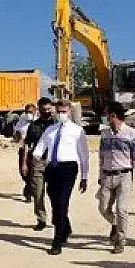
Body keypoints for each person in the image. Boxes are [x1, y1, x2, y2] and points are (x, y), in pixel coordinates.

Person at [31, 99, 90, 255]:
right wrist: (35, 156)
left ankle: (57, 240)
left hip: (68, 168)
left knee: (62, 203)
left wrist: (84, 176)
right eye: (59, 111)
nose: (62, 114)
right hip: (52, 168)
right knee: (55, 203)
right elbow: (40, 148)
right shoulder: (50, 130)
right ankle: (66, 227)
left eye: (64, 111)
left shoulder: (77, 131)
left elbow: (84, 155)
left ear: (69, 112)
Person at [97, 102, 135, 254]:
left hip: (124, 175)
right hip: (107, 175)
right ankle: (115, 224)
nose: (106, 119)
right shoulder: (104, 134)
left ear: (115, 116)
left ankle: (120, 240)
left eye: (109, 116)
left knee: (121, 209)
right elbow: (101, 156)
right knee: (103, 208)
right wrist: (100, 175)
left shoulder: (131, 134)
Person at [21, 97, 57, 224]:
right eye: (43, 109)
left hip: (54, 162)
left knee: (54, 193)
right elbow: (27, 145)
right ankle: (41, 218)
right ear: (39, 110)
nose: (46, 112)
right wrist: (24, 163)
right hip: (38, 162)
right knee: (37, 192)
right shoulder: (33, 126)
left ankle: (56, 216)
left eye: (48, 109)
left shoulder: (57, 125)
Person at [14, 103, 37, 199]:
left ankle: (28, 192)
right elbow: (16, 134)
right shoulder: (22, 120)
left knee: (32, 173)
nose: (28, 114)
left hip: (34, 150)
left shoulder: (38, 122)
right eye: (27, 112)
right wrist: (16, 135)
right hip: (23, 149)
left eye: (30, 112)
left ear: (35, 111)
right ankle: (28, 185)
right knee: (23, 172)